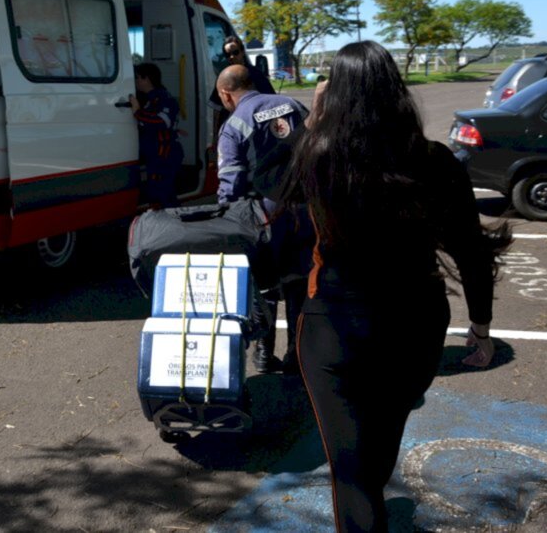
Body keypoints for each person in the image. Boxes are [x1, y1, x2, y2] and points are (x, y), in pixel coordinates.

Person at [282, 41, 511, 532]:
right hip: (416, 323)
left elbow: (273, 192)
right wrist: (482, 328)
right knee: (382, 441)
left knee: (351, 472)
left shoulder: (317, 155)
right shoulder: (435, 161)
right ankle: (372, 510)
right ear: (397, 92)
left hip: (337, 327)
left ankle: (367, 516)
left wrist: (312, 121)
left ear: (334, 97)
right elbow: (472, 252)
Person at [216, 64, 309, 374]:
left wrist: (226, 219)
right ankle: (297, 354)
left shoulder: (234, 124)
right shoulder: (294, 105)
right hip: (305, 208)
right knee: (298, 283)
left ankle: (264, 355)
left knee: (265, 285)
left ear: (225, 93)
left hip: (264, 216)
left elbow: (231, 182)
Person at [130, 63, 183, 208]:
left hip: (165, 155)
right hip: (156, 155)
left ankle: (172, 225)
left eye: (138, 78)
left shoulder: (163, 98)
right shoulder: (149, 99)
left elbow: (161, 122)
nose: (136, 81)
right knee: (156, 192)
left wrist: (137, 112)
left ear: (146, 79)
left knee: (163, 193)